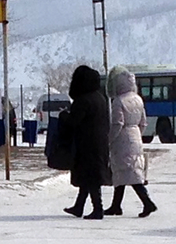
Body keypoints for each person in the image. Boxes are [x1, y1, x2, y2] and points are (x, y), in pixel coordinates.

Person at [103, 67, 157, 217]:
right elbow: (143, 122)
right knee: (127, 171)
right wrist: (137, 135)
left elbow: (117, 123)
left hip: (123, 138)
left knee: (126, 171)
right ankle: (116, 206)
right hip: (136, 137)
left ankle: (147, 202)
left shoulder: (118, 101)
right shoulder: (138, 99)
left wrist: (110, 139)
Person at [59, 64, 108, 219]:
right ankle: (79, 206)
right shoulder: (100, 98)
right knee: (89, 176)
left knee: (90, 177)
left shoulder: (83, 100)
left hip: (86, 144)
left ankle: (97, 209)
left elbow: (73, 122)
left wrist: (63, 116)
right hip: (99, 142)